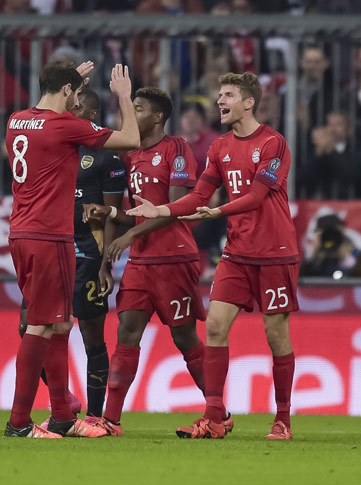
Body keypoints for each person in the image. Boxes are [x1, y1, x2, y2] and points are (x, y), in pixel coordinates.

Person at [127, 71, 299, 441]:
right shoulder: (219, 147)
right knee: (216, 326)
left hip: (275, 252)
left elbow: (255, 197)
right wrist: (164, 211)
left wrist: (215, 214)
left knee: (276, 335)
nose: (220, 101)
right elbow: (199, 195)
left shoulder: (274, 143)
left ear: (248, 102)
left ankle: (282, 419)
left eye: (228, 95)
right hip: (236, 253)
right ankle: (215, 417)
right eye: (219, 94)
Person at [4, 60, 140, 438]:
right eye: (76, 94)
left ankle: (62, 415)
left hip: (23, 232)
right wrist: (124, 96)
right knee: (40, 326)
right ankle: (18, 424)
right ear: (67, 92)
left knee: (60, 322)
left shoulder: (18, 119)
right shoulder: (64, 126)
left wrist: (69, 82)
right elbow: (132, 138)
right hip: (49, 235)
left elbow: (46, 105)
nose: (77, 100)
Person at [84, 87, 212, 436]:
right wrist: (112, 216)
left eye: (137, 108)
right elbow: (133, 214)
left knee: (185, 339)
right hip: (141, 263)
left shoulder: (177, 149)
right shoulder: (131, 157)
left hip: (174, 259)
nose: (131, 114)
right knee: (126, 332)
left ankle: (218, 413)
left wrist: (132, 236)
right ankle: (110, 420)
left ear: (157, 117)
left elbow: (176, 209)